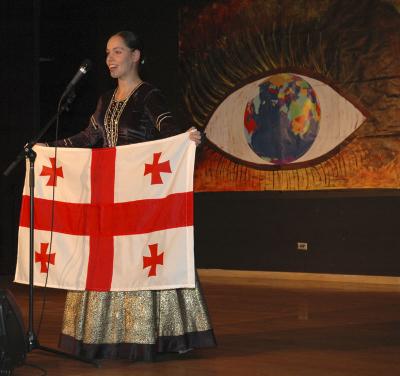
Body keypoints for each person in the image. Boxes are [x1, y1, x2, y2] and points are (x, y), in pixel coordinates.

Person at [47, 30, 216, 361]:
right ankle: (102, 335)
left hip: (140, 199)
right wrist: (48, 149)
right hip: (110, 197)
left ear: (136, 56)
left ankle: (156, 334)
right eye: (107, 53)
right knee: (106, 259)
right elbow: (90, 136)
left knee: (142, 261)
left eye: (118, 52)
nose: (110, 59)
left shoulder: (148, 95)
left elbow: (171, 134)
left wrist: (188, 140)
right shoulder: (105, 100)